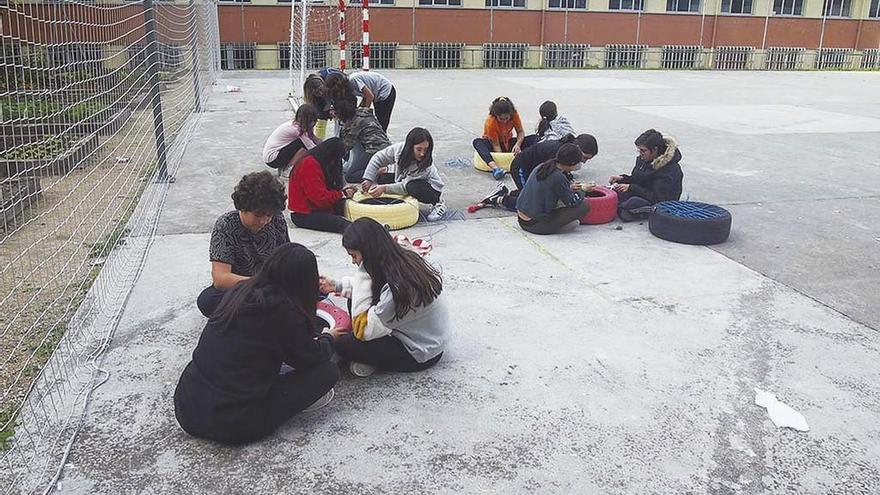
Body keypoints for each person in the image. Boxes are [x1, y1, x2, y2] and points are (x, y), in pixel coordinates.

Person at [174, 243, 339, 445]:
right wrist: (329, 337)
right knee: (327, 372)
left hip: (187, 407)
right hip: (234, 423)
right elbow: (311, 358)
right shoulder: (284, 312)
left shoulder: (241, 291)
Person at [319, 218, 449, 377]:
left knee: (341, 343)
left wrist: (362, 273)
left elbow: (363, 331)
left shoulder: (397, 288)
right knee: (354, 299)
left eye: (354, 256)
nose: (354, 262)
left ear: (367, 252)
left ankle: (371, 360)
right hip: (429, 340)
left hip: (419, 354)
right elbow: (374, 287)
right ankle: (370, 360)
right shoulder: (401, 258)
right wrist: (336, 285)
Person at [197, 171, 290, 318]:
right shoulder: (226, 225)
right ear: (243, 207)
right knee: (207, 300)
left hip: (273, 287)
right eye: (258, 215)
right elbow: (220, 279)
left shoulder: (276, 219)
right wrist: (262, 282)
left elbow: (286, 257)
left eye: (269, 215)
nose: (264, 221)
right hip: (242, 288)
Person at [360, 127, 447, 222]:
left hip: (431, 188)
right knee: (383, 178)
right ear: (410, 147)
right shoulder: (399, 149)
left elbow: (405, 186)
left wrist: (384, 188)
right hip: (405, 179)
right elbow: (378, 158)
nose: (422, 154)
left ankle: (438, 203)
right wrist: (368, 179)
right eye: (419, 149)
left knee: (412, 187)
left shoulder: (426, 163)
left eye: (425, 150)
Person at [514, 143, 591, 235]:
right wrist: (583, 190)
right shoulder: (558, 177)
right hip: (535, 224)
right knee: (583, 207)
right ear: (572, 164)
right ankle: (553, 226)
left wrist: (569, 188)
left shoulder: (543, 166)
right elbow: (572, 202)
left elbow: (549, 187)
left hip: (521, 219)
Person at [610, 129, 683, 222]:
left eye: (643, 151)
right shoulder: (645, 159)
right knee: (614, 192)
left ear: (655, 150)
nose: (640, 154)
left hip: (659, 202)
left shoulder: (669, 170)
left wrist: (631, 187)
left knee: (631, 203)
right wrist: (623, 179)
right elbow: (639, 179)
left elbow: (658, 198)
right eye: (639, 150)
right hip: (643, 193)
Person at [288, 137, 357, 234]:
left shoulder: (324, 160)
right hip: (304, 213)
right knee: (342, 224)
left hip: (320, 206)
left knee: (354, 207)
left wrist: (345, 191)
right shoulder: (309, 164)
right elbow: (319, 198)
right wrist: (342, 194)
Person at [509, 133, 598, 191]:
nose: (584, 161)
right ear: (578, 148)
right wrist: (575, 188)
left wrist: (572, 183)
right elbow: (551, 181)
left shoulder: (568, 151)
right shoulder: (559, 152)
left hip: (534, 168)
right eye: (584, 158)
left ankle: (512, 194)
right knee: (529, 201)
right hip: (520, 167)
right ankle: (500, 199)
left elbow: (563, 174)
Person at [472, 97, 532, 180]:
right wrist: (503, 158)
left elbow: (520, 132)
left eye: (506, 118)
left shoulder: (514, 115)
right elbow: (495, 144)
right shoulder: (491, 121)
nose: (504, 121)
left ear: (510, 114)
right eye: (501, 119)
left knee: (535, 138)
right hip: (493, 144)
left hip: (508, 142)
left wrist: (518, 144)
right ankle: (495, 168)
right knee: (477, 142)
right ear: (496, 116)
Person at [334, 98, 392, 184]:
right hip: (385, 146)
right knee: (356, 141)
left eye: (335, 112)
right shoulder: (363, 112)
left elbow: (345, 147)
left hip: (374, 150)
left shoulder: (353, 124)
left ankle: (379, 171)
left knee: (350, 176)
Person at [262, 103, 321, 175]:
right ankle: (288, 169)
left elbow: (313, 138)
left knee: (303, 144)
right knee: (303, 145)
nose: (314, 123)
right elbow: (311, 147)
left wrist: (325, 144)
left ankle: (284, 167)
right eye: (313, 121)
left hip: (275, 154)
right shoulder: (297, 130)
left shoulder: (296, 125)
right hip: (272, 159)